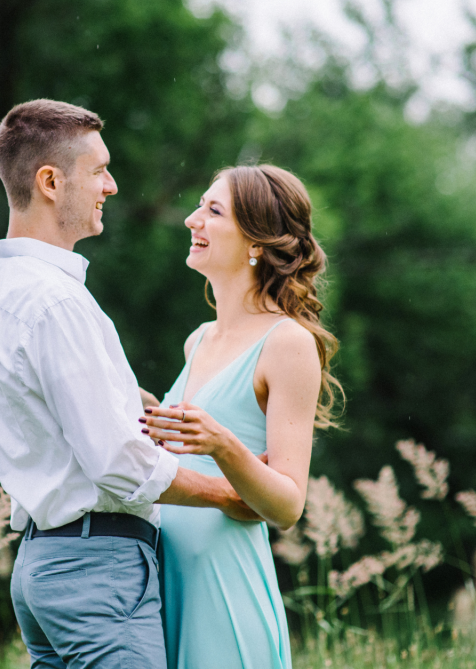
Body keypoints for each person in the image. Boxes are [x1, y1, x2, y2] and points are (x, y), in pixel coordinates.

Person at [0, 99, 255, 669]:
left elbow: (48, 417)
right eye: (99, 170)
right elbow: (117, 462)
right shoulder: (55, 300)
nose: (112, 186)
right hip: (96, 572)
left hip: (43, 568)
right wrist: (228, 494)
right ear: (50, 182)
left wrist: (124, 398)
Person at [141, 164, 342, 669]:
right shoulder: (198, 339)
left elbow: (288, 506)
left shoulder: (288, 343)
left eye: (212, 211)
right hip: (163, 580)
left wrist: (224, 446)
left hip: (223, 586)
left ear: (256, 242)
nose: (192, 220)